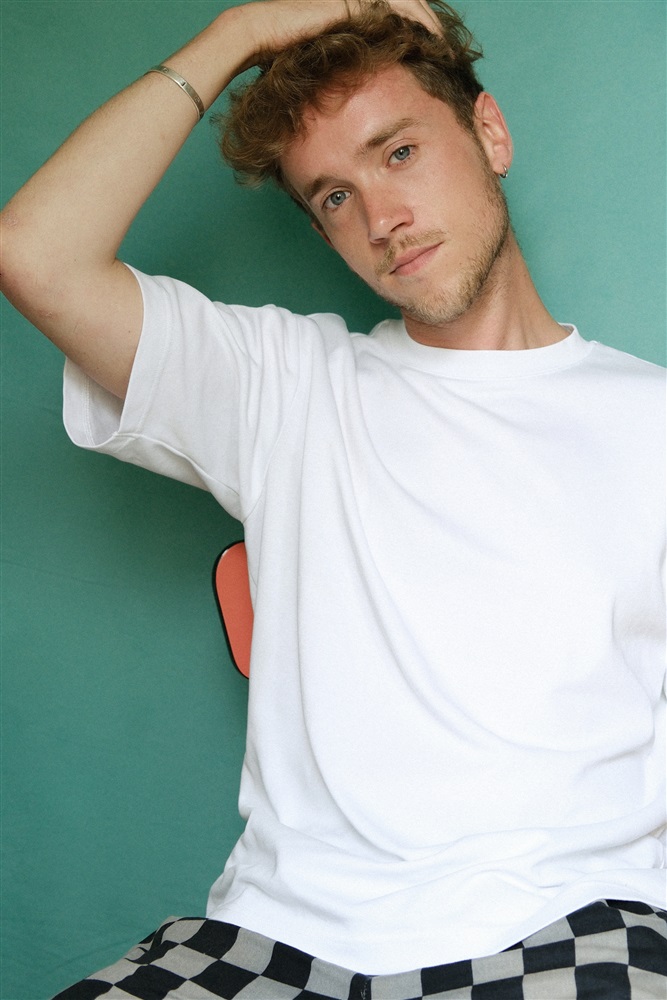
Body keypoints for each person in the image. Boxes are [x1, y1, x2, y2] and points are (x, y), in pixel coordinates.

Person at [1, 1, 665, 997]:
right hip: (276, 939)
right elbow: (35, 255)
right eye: (335, 196)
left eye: (399, 151)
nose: (381, 218)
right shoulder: (285, 384)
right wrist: (237, 32)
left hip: (570, 921)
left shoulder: (651, 422)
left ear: (488, 132)